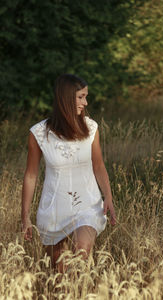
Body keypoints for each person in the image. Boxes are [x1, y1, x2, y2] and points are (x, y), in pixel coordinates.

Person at [21, 74, 116, 271]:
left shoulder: (91, 128)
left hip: (87, 206)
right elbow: (31, 175)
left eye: (86, 96)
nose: (85, 102)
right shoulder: (38, 133)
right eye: (81, 97)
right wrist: (25, 216)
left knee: (81, 249)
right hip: (54, 210)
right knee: (60, 276)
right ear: (65, 97)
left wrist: (108, 196)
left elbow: (98, 165)